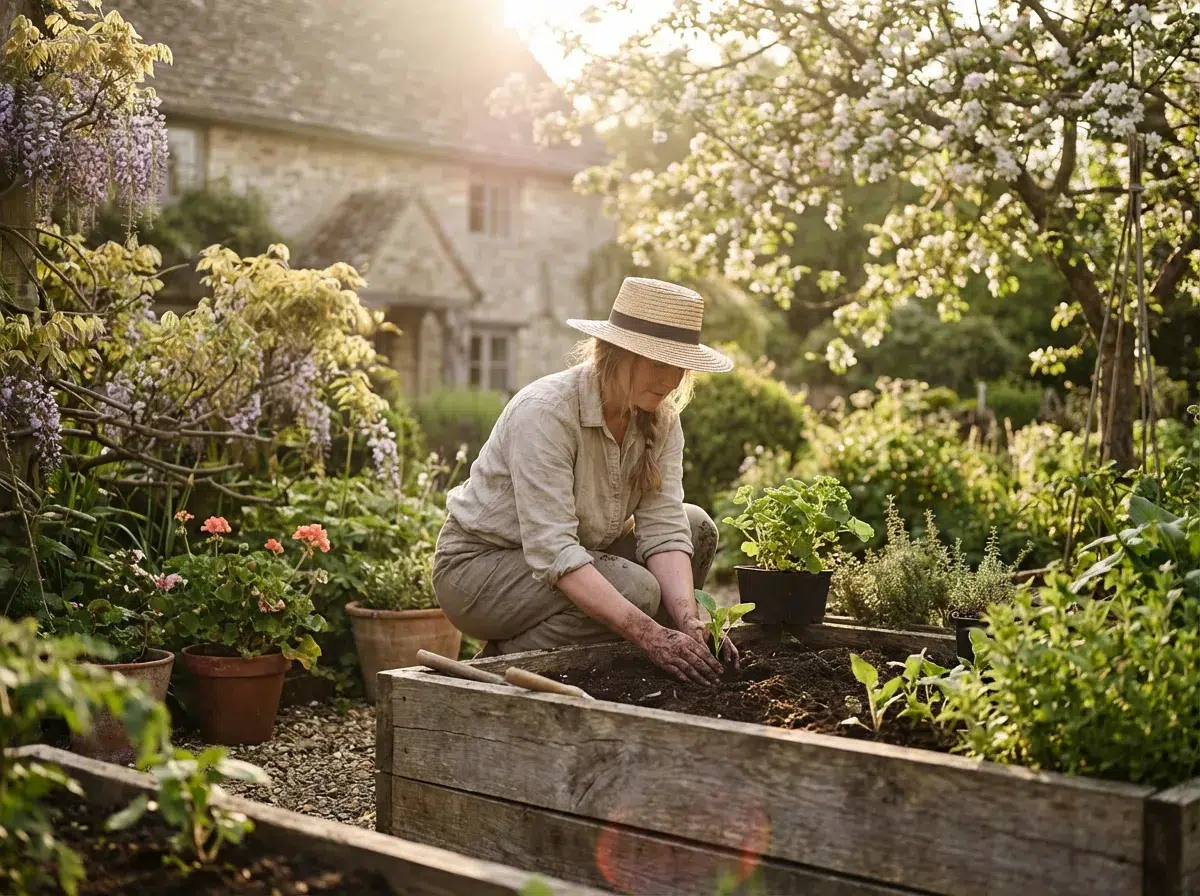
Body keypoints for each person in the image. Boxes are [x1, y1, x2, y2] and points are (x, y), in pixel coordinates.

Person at [432, 277, 739, 686]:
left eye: (680, 365)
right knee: (638, 592)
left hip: (574, 557)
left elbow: (664, 526)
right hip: (479, 571)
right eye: (659, 362)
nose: (671, 380)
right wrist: (650, 633)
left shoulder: (661, 420)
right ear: (616, 352)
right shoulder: (546, 413)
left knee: (696, 526)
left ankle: (645, 659)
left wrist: (689, 619)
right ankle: (507, 660)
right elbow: (555, 550)